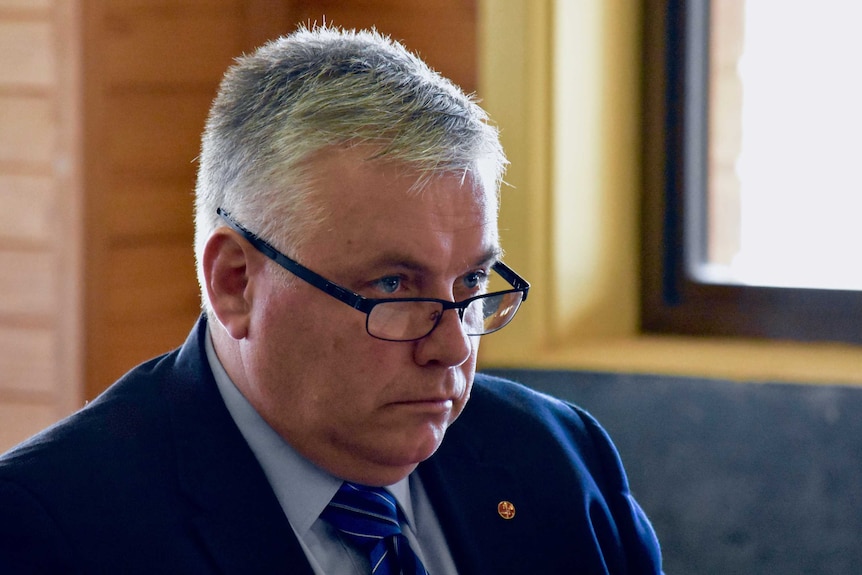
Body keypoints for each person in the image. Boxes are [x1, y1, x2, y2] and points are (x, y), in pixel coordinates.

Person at [0, 26, 662, 574]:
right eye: (393, 285)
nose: (454, 345)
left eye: (469, 283)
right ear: (235, 281)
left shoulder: (559, 456)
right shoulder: (51, 529)